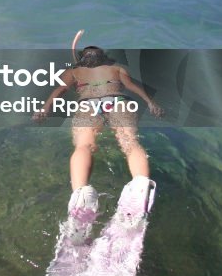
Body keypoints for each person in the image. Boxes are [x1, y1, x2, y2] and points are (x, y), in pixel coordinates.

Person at [35, 42, 164, 190]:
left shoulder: (74, 71)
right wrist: (151, 103)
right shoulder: (117, 68)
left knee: (84, 145)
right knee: (130, 142)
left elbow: (61, 88)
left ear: (82, 58)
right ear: (103, 57)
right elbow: (131, 86)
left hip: (88, 103)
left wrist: (45, 108)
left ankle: (80, 192)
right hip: (117, 101)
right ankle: (141, 186)